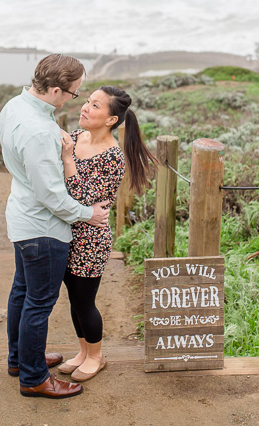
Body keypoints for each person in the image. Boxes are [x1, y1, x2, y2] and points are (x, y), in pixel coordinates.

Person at [0, 54, 110, 399]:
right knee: (38, 302)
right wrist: (86, 213)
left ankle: (21, 358)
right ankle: (33, 378)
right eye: (74, 94)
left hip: (22, 216)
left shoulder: (15, 106)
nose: (74, 101)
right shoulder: (39, 131)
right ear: (57, 90)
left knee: (22, 292)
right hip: (42, 229)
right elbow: (51, 195)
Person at [57, 86, 156, 382]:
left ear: (111, 119)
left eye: (95, 105)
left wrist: (67, 161)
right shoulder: (75, 137)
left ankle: (97, 357)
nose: (85, 108)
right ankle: (83, 352)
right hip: (65, 232)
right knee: (73, 300)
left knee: (84, 302)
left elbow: (85, 198)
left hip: (91, 239)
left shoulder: (113, 156)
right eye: (87, 101)